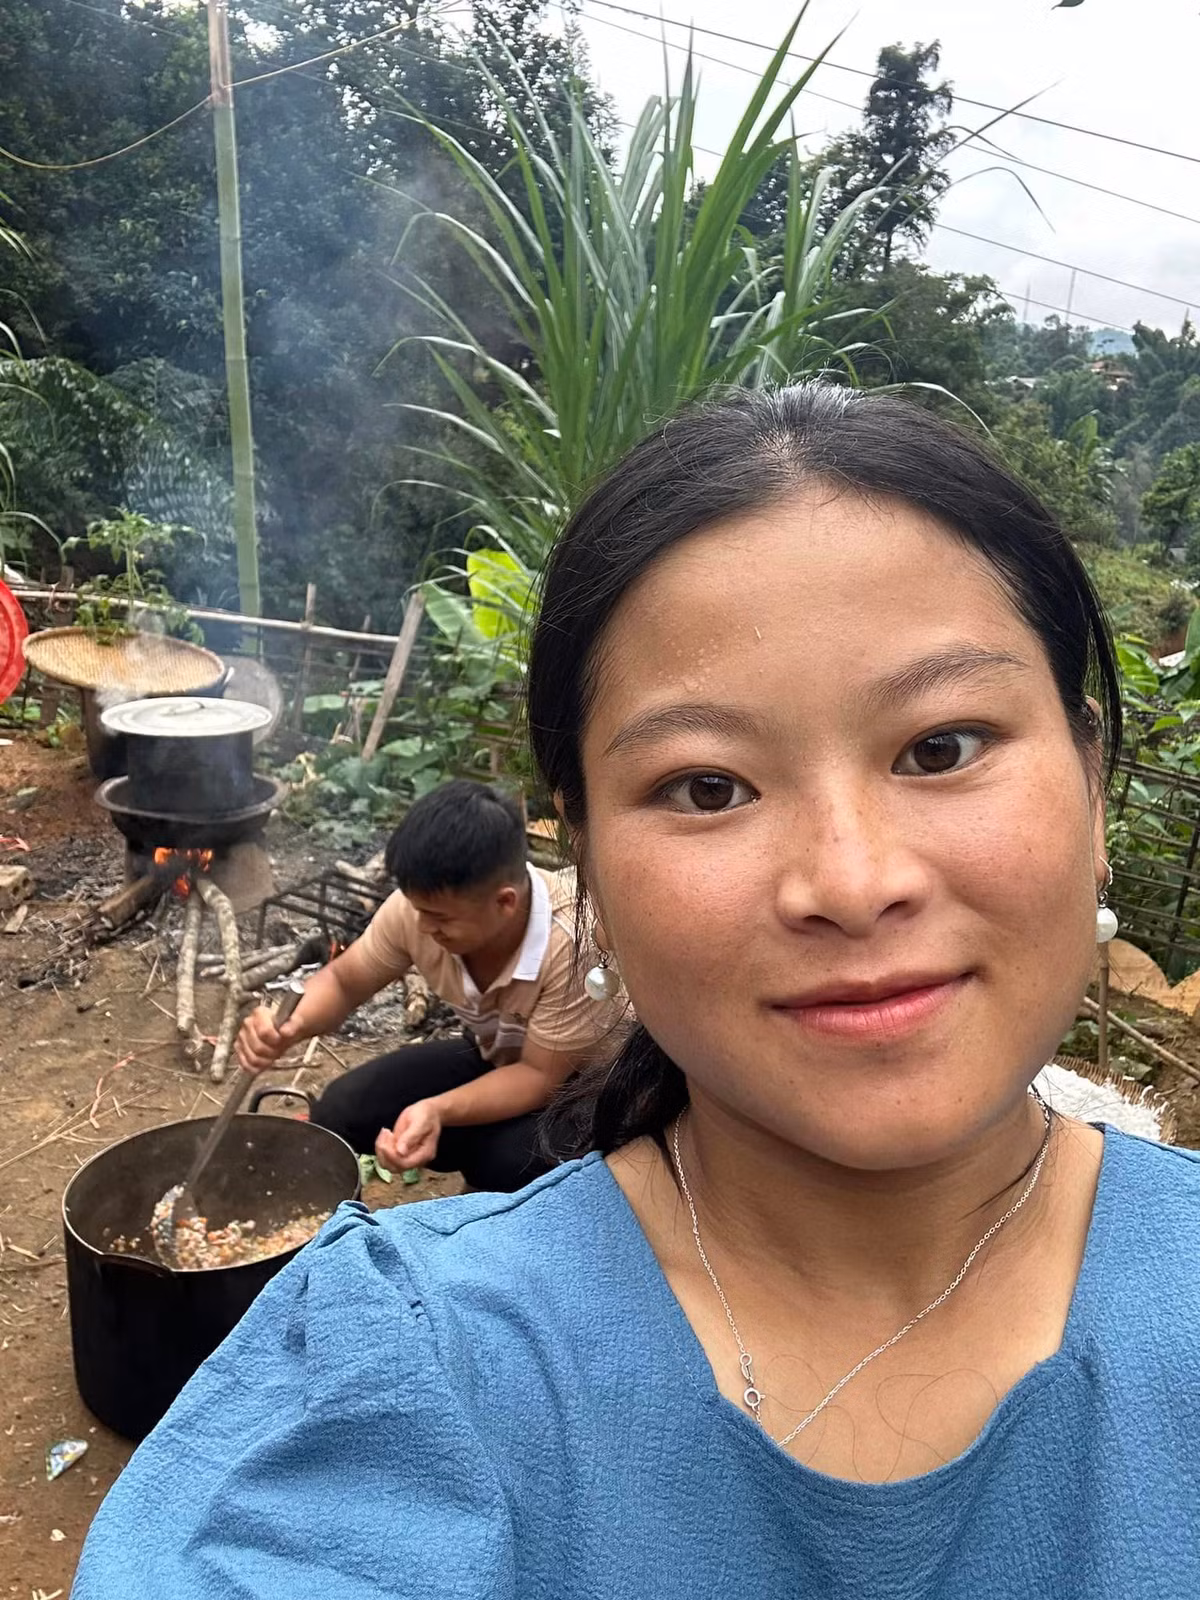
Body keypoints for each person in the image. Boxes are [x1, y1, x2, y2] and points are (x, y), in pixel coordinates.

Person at [73, 385, 1200, 1598]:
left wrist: (446, 1120)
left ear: (1091, 779)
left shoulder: (559, 972)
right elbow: (354, 973)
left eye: (942, 745)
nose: (852, 882)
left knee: (502, 1130)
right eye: (708, 786)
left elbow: (538, 1073)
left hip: (540, 1075)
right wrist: (290, 1022)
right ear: (594, 853)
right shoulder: (403, 1368)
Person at [235, 778, 616, 1192]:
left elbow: (539, 1076)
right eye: (418, 909)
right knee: (341, 1110)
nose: (420, 926)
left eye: (439, 918)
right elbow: (345, 981)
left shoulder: (575, 943)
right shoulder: (422, 910)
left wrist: (438, 1110)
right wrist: (292, 1024)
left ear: (505, 902)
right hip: (501, 1054)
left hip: (583, 1086)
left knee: (501, 1164)